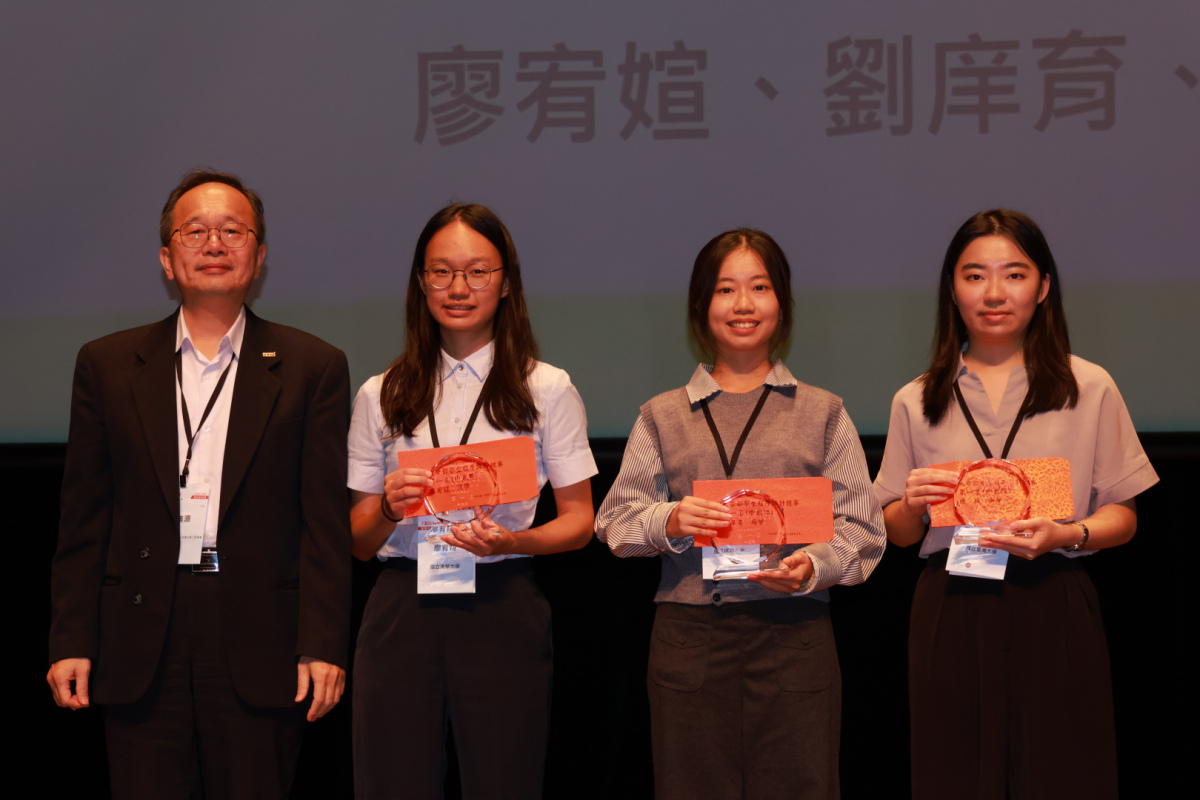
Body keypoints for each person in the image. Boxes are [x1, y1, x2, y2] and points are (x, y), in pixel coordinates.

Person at [46, 169, 352, 798]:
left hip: (261, 637)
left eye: (233, 231)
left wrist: (322, 644)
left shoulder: (312, 367)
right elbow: (84, 519)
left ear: (259, 257)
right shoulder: (107, 365)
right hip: (140, 634)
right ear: (167, 258)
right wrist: (70, 639)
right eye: (195, 231)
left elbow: (323, 524)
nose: (214, 244)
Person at [873, 209, 1159, 799]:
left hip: (1052, 596)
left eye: (1015, 274)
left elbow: (1124, 517)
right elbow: (897, 533)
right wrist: (911, 504)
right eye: (975, 275)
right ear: (952, 289)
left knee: (1062, 772)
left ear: (1044, 286)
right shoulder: (915, 399)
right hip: (951, 604)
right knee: (954, 774)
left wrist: (1068, 534)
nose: (995, 293)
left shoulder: (1089, 386)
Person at [595, 228, 885, 800]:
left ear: (783, 304)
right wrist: (670, 521)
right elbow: (614, 523)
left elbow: (864, 528)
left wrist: (814, 565)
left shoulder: (824, 412)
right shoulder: (661, 415)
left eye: (760, 287)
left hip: (794, 635)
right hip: (690, 638)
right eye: (726, 289)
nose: (744, 304)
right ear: (700, 306)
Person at [347, 203, 597, 800]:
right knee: (391, 782)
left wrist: (514, 540)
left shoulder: (547, 388)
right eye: (441, 272)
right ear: (421, 282)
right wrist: (388, 509)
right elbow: (356, 541)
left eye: (478, 272)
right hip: (402, 606)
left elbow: (580, 522)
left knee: (505, 781)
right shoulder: (379, 394)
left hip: (501, 600)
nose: (458, 288)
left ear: (506, 283)